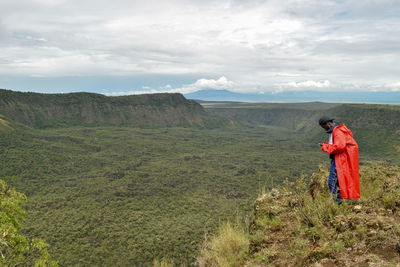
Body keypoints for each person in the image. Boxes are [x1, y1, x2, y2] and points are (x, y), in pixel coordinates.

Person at [318, 116, 360, 204]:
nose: (324, 129)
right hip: (338, 159)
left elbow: (339, 147)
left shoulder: (337, 131)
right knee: (339, 181)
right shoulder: (336, 130)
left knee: (331, 181)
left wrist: (325, 146)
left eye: (323, 126)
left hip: (340, 160)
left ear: (327, 123)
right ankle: (343, 199)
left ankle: (338, 201)